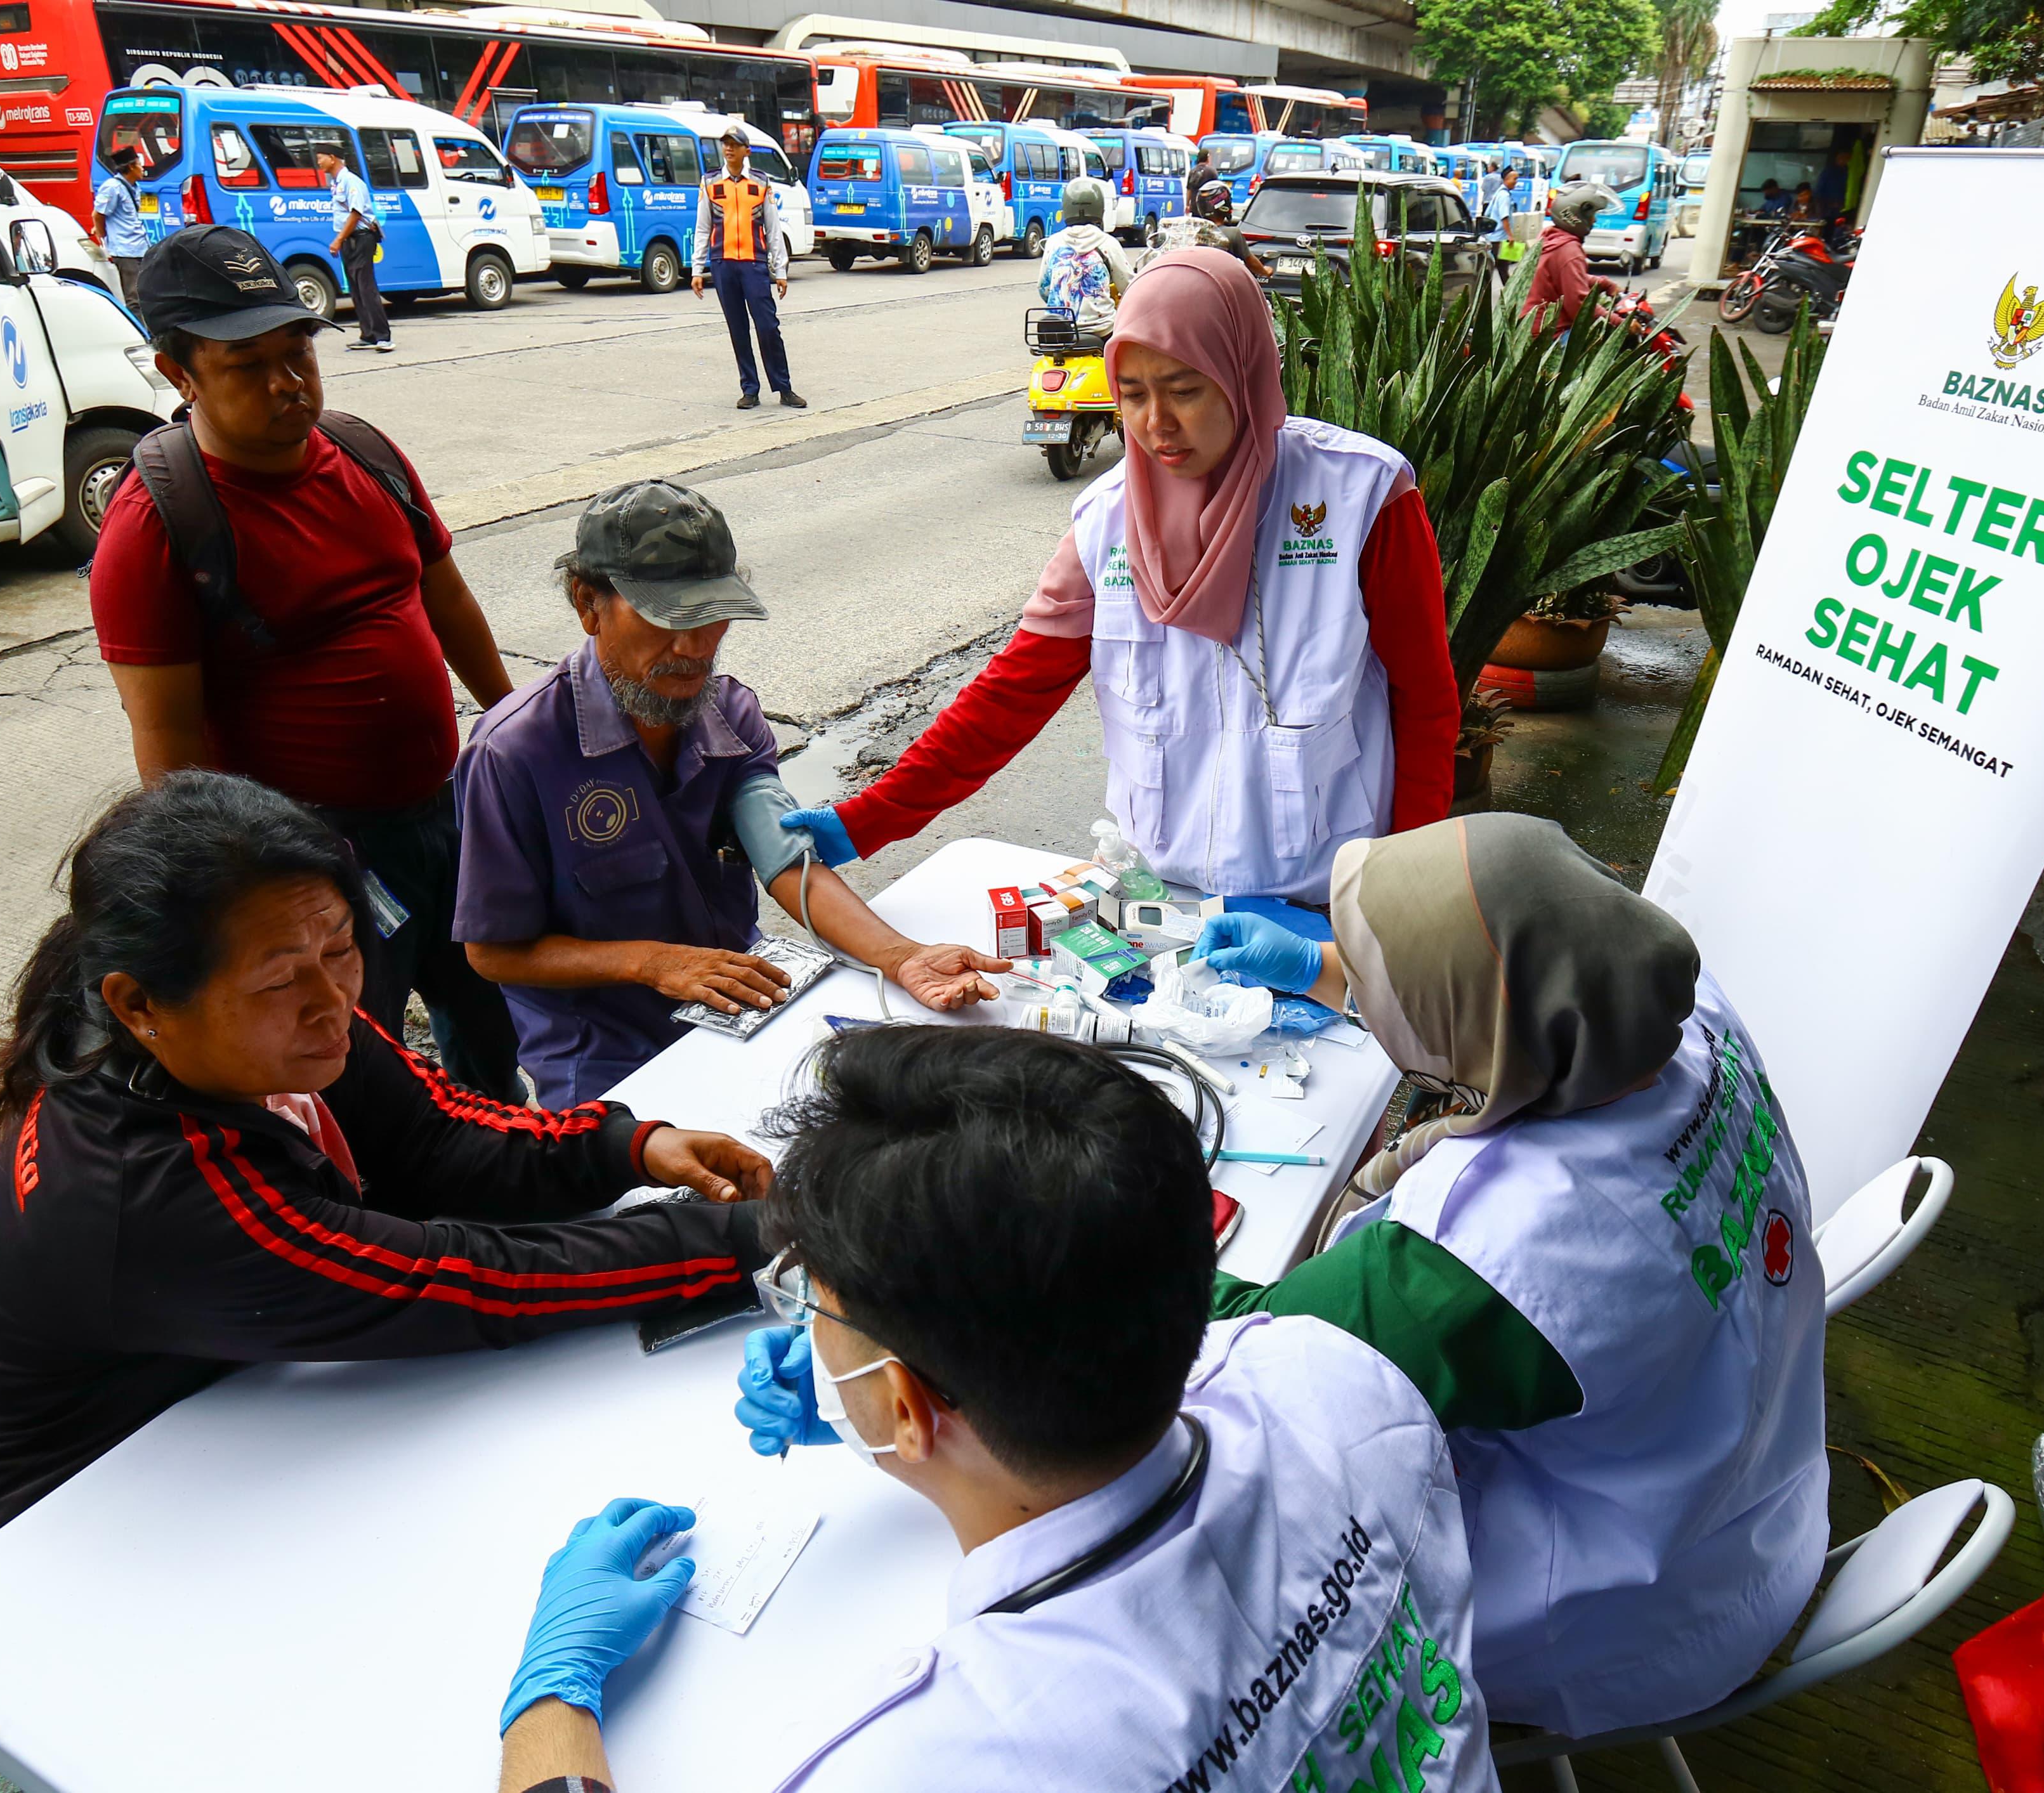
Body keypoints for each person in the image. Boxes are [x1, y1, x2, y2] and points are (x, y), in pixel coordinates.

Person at [495, 1026, 1497, 1790]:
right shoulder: (1340, 1379)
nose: (808, 1326)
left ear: (904, 1401)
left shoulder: (932, 1759)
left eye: (816, 1304)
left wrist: (550, 1700)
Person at [0, 772, 774, 1567]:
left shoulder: (283, 1024)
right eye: (280, 979)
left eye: (340, 948)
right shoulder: (143, 1190)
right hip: (68, 1529)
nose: (336, 1003)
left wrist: (623, 1145)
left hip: (239, 1412)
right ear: (138, 1003)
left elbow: (442, 1136)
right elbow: (464, 1281)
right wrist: (757, 1232)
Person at [1186, 813, 1829, 1741]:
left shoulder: (1497, 1251)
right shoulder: (1681, 1019)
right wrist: (1327, 973)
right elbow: (1511, 1001)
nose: (1359, 980)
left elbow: (1249, 1355)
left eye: (1380, 981)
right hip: (1756, 1506)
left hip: (1635, 1623)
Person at [782, 250, 1457, 903]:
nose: (1156, 424)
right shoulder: (1105, 521)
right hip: (1159, 902)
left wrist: (1396, 902)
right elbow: (1010, 695)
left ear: (1243, 372)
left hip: (1323, 898)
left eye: (1184, 390)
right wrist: (866, 820)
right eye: (1131, 395)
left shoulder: (1360, 496)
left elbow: (1424, 702)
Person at [89, 224, 525, 1100]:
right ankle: (381, 1203)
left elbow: (448, 602)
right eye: (247, 366)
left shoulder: (365, 452)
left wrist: (515, 734)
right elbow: (168, 751)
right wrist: (240, 896)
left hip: (446, 804)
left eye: (298, 351)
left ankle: (502, 1151)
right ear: (179, 372)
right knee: (350, 1050)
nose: (289, 383)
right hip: (320, 855)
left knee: (487, 1001)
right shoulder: (160, 526)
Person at [454, 481, 1009, 1109]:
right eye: (665, 618)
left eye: (710, 614)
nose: (693, 647)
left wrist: (901, 957)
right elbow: (494, 951)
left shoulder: (730, 713)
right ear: (589, 603)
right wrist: (652, 963)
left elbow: (784, 860)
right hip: (602, 1053)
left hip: (736, 1005)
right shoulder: (513, 752)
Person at [692, 126, 799, 410]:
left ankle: (784, 387)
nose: (728, 149)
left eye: (734, 145)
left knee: (767, 326)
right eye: (725, 144)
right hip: (723, 264)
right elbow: (702, 229)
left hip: (753, 264)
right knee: (738, 328)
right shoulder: (711, 182)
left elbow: (773, 229)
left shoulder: (761, 183)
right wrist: (696, 270)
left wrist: (781, 270)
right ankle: (749, 389)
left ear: (746, 151)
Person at [318, 145, 390, 353]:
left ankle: (383, 336)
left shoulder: (351, 182)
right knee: (356, 289)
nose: (319, 162)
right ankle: (368, 335)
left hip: (361, 238)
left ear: (333, 158)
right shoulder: (337, 182)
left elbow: (356, 214)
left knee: (366, 288)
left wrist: (338, 240)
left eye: (321, 157)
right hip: (350, 240)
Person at [1035, 182, 1132, 332]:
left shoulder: (1053, 243)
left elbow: (1044, 289)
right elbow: (1129, 288)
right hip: (1101, 330)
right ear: (1100, 210)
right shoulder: (1108, 243)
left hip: (1058, 331)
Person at [1523, 185, 1618, 337]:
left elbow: (1568, 277)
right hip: (1551, 334)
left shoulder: (1550, 238)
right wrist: (1620, 324)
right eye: (1592, 215)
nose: (1594, 220)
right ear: (1577, 216)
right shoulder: (1569, 250)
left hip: (1531, 327)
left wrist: (1603, 283)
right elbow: (1580, 306)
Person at [89, 144, 148, 311]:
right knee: (134, 299)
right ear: (131, 167)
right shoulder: (113, 188)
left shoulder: (133, 187)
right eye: (140, 164)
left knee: (144, 295)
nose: (143, 168)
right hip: (125, 252)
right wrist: (104, 239)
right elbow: (98, 215)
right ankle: (142, 335)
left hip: (139, 248)